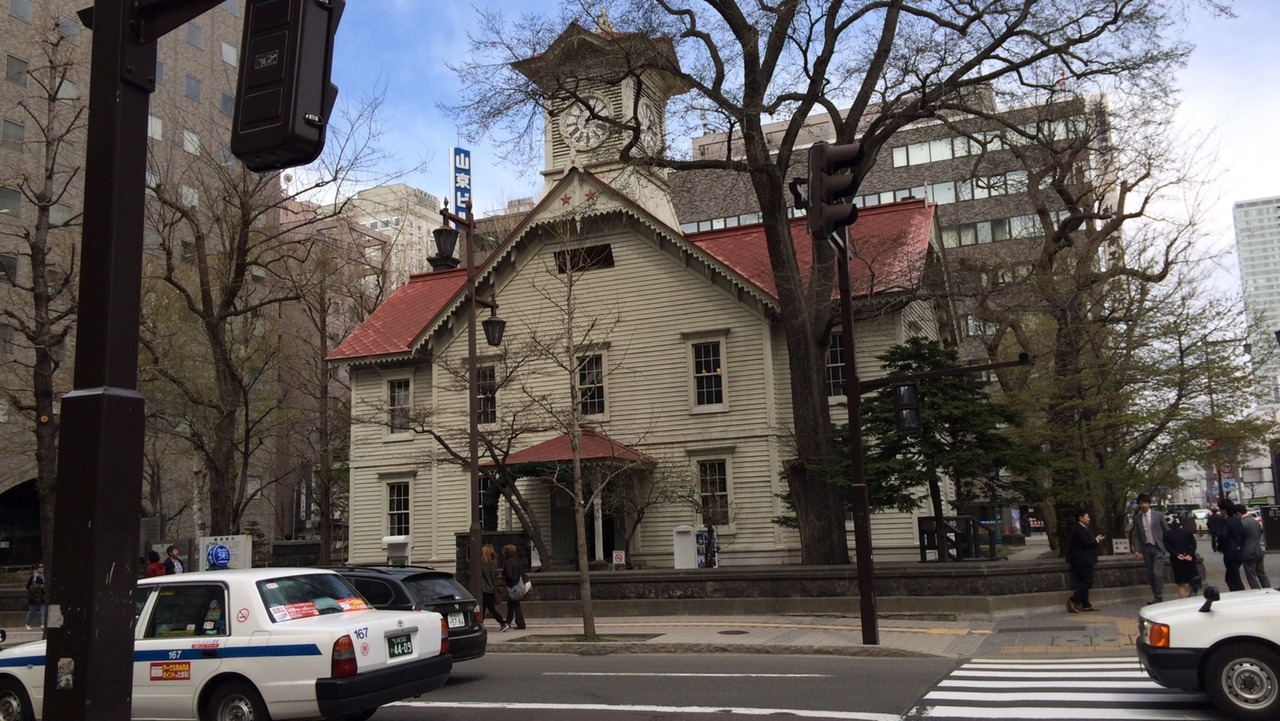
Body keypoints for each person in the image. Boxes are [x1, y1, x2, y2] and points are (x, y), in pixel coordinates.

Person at [1129, 493, 1171, 603]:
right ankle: (1156, 596)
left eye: (1145, 503)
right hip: (1146, 548)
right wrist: (1137, 550)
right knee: (1151, 574)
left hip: (1158, 547)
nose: (1143, 505)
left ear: (1149, 504)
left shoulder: (1158, 515)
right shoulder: (1137, 518)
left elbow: (1166, 530)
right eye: (1141, 503)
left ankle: (1159, 596)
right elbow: (1136, 535)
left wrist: (1169, 545)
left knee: (1157, 572)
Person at [1066, 510, 1104, 613]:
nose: (1089, 519)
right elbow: (1086, 543)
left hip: (1082, 560)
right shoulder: (1079, 529)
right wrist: (1096, 540)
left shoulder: (1082, 528)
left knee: (1082, 582)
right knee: (1087, 581)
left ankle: (1086, 604)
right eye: (1087, 517)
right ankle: (1073, 600)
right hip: (1082, 560)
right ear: (1081, 518)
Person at [1163, 516, 1198, 599]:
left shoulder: (1167, 534)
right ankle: (1193, 598)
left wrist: (1177, 554)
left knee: (1181, 583)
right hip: (1189, 559)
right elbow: (1193, 544)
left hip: (1177, 560)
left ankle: (1182, 600)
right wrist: (1190, 554)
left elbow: (1167, 546)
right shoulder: (1187, 532)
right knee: (1192, 580)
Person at [1238, 504, 1270, 590]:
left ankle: (1256, 592)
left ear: (1238, 513)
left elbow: (1241, 538)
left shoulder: (1242, 523)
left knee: (1251, 576)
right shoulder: (1255, 521)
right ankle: (1268, 590)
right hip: (1258, 550)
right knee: (1262, 574)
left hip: (1248, 552)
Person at [480, 544, 510, 632]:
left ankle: (503, 623)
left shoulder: (483, 563)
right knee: (483, 607)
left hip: (484, 588)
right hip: (490, 588)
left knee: (490, 608)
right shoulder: (493, 563)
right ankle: (480, 624)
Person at [501, 543, 527, 630]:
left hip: (512, 586)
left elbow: (508, 575)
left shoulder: (508, 562)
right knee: (511, 604)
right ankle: (509, 622)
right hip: (519, 585)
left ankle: (520, 623)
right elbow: (522, 573)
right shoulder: (518, 560)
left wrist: (506, 580)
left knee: (515, 604)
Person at [1221, 504, 1247, 591]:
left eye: (1221, 510)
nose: (1220, 512)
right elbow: (1244, 535)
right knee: (1232, 575)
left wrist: (1220, 547)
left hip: (1230, 552)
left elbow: (1223, 535)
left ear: (1225, 511)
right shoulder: (1238, 521)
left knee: (1233, 577)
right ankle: (1237, 591)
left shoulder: (1226, 521)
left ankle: (1239, 592)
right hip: (1239, 551)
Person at [24, 562, 46, 630]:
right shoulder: (34, 577)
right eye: (40, 567)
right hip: (34, 597)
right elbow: (28, 586)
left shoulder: (46, 576)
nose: (41, 568)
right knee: (32, 611)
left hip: (43, 596)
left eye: (42, 567)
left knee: (43, 611)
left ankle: (43, 624)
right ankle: (28, 624)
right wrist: (38, 587)